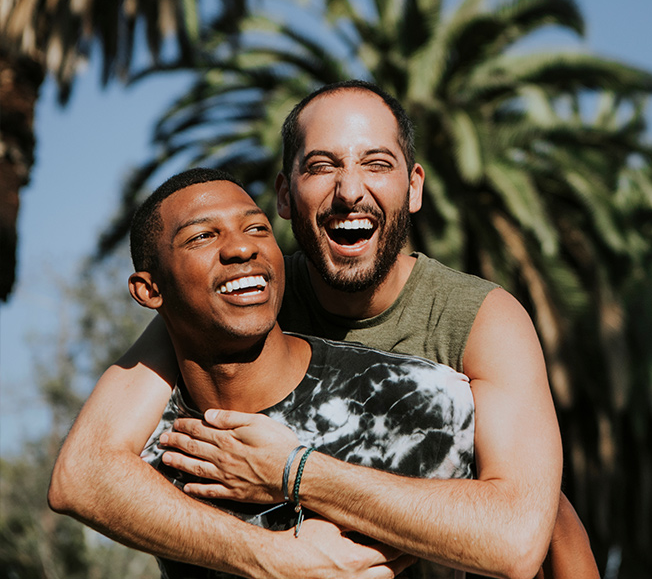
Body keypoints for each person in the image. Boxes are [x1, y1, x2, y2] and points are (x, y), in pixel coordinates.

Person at [48, 81, 598, 578]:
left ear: (414, 188)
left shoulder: (480, 319)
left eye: (376, 164)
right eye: (321, 166)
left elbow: (521, 534)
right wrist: (277, 557)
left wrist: (293, 471)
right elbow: (84, 473)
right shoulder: (246, 299)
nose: (350, 191)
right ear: (286, 196)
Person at [127, 168, 477, 577]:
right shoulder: (149, 450)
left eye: (257, 228)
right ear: (150, 291)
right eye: (203, 236)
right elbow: (77, 481)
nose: (241, 248)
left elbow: (540, 525)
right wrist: (279, 559)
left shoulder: (409, 397)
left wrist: (299, 473)